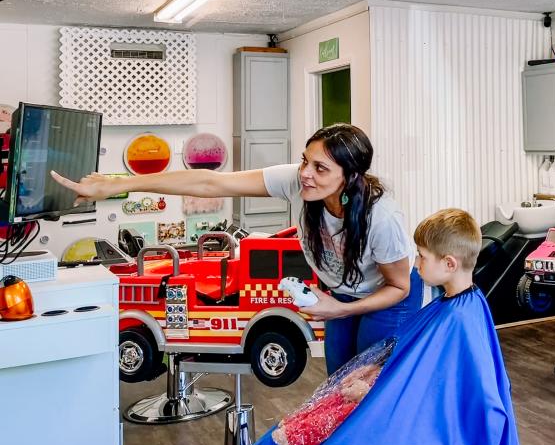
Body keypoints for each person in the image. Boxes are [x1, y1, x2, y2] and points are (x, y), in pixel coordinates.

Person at [51, 123, 421, 375]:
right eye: (305, 160)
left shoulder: (381, 217)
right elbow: (211, 182)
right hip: (343, 293)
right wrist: (119, 185)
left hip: (389, 296)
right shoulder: (301, 182)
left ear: (350, 176)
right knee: (340, 383)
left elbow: (399, 286)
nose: (306, 172)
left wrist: (342, 308)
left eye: (320, 168)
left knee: (370, 385)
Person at [242, 208, 521, 445]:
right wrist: (374, 372)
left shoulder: (459, 318)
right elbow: (417, 367)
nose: (415, 263)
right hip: (396, 402)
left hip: (421, 428)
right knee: (304, 424)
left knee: (321, 441)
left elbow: (441, 395)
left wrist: (372, 390)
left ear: (449, 264)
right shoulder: (459, 304)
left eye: (422, 256)